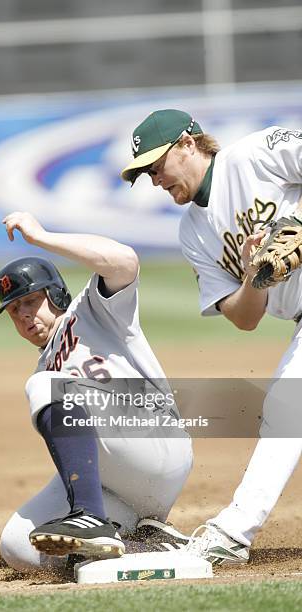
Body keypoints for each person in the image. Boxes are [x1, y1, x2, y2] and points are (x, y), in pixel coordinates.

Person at [121, 109, 302, 565]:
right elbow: (245, 319)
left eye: (157, 166)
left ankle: (235, 531)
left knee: (286, 407)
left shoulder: (253, 156)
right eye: (146, 173)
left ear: (188, 143)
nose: (155, 180)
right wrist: (252, 275)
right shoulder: (193, 233)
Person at [0, 211, 193, 571]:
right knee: (17, 547)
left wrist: (41, 237)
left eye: (30, 301)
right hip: (118, 483)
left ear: (55, 293)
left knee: (44, 385)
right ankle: (151, 546)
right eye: (13, 310)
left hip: (155, 439)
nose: (23, 315)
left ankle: (88, 516)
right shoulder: (44, 366)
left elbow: (125, 260)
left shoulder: (93, 308)